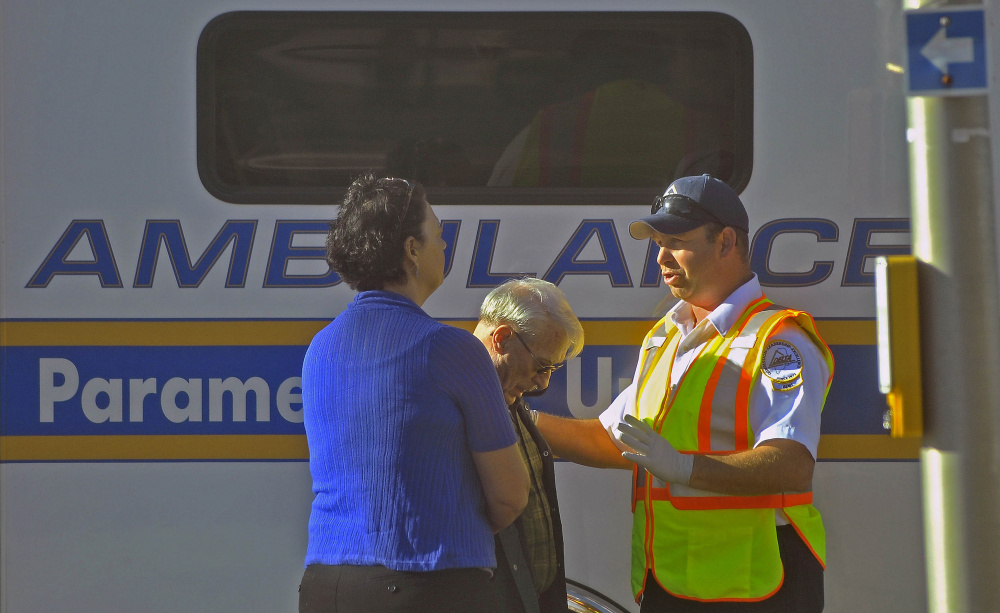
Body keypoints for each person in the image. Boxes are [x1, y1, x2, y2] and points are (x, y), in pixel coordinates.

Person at [534, 175, 834, 612]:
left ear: (726, 242)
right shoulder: (666, 337)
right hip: (671, 586)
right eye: (657, 242)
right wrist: (515, 418)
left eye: (676, 240)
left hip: (754, 589)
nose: (661, 257)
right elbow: (611, 439)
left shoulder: (777, 341)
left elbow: (792, 465)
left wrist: (682, 467)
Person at [298, 173, 529, 613]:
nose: (445, 247)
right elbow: (510, 494)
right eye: (439, 235)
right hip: (425, 583)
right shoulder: (451, 349)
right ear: (411, 250)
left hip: (326, 585)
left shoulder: (321, 348)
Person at [472, 278, 585, 613]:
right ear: (503, 338)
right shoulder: (452, 404)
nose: (544, 382)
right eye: (541, 366)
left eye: (551, 369)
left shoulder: (507, 398)